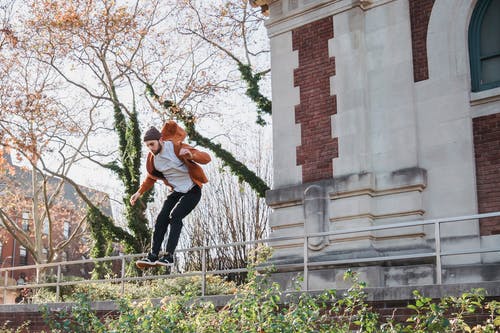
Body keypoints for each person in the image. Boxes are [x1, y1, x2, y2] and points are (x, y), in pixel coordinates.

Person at [130, 120, 211, 268]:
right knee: (161, 218)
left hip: (192, 190)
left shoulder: (175, 147)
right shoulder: (153, 160)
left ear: (160, 140)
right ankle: (152, 255)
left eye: (152, 144)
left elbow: (206, 158)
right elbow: (151, 177)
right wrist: (139, 192)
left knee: (175, 216)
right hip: (176, 192)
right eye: (147, 146)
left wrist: (191, 155)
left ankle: (169, 256)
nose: (150, 148)